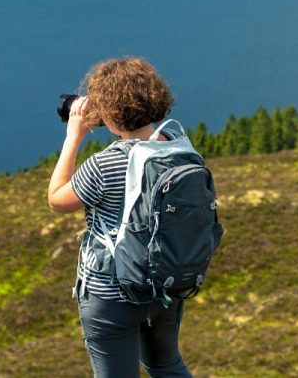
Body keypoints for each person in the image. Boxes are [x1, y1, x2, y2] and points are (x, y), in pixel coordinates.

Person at [46, 56, 194, 377]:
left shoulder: (105, 164)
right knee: (166, 364)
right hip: (164, 285)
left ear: (109, 113)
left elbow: (58, 200)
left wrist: (74, 136)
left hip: (110, 292)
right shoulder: (181, 148)